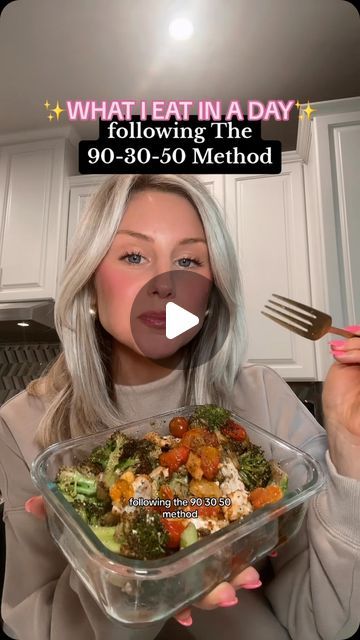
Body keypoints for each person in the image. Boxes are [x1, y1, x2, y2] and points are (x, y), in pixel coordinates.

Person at [0, 173, 359, 640]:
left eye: (188, 260)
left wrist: (350, 445)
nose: (164, 284)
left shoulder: (263, 395)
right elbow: (31, 626)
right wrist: (125, 584)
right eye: (133, 256)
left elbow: (327, 622)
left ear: (210, 296)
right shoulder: (22, 424)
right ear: (91, 282)